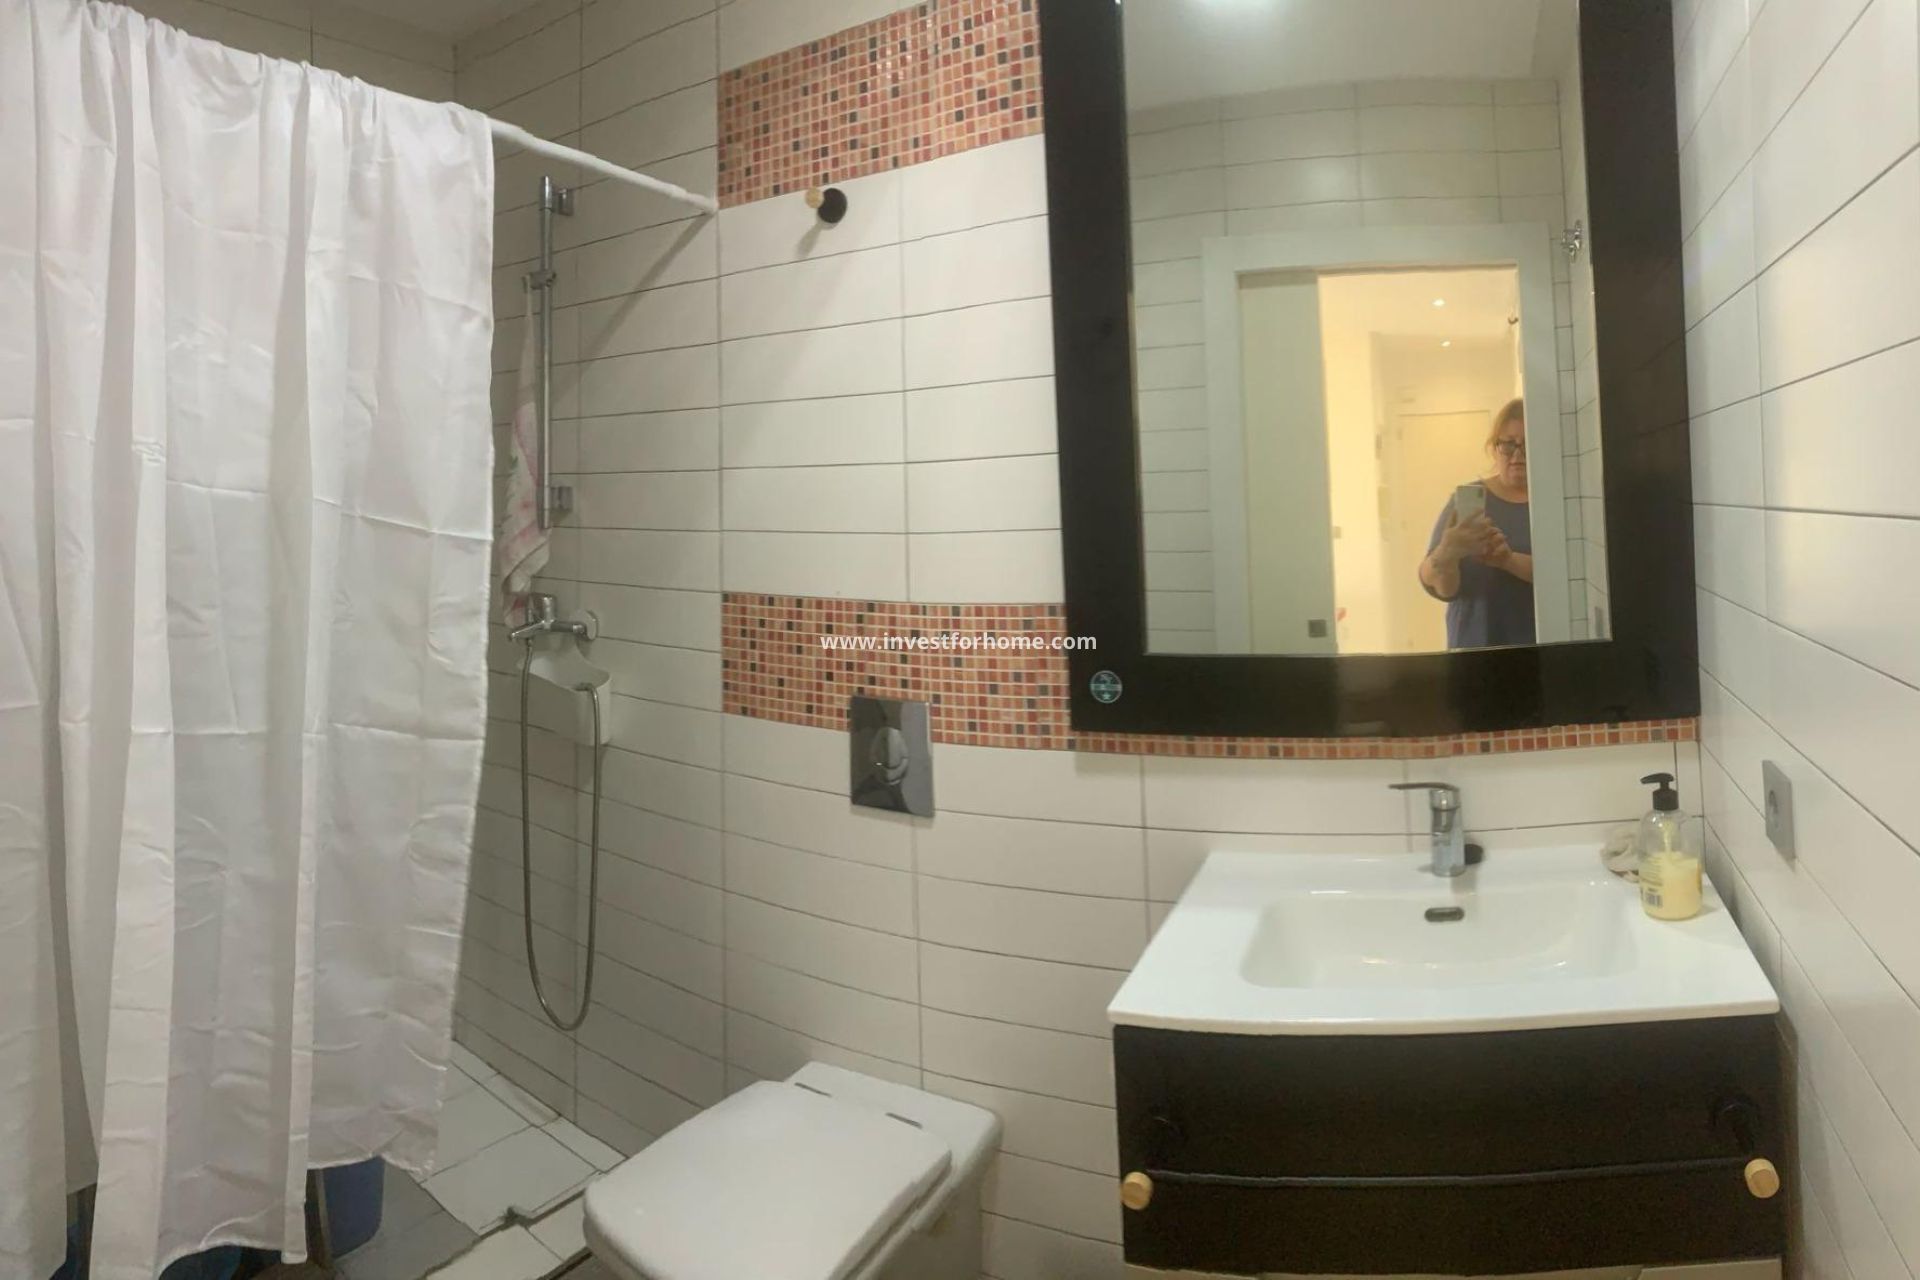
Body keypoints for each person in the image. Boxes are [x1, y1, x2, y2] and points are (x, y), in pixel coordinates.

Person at [1418, 397, 1535, 649]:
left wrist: (1508, 561)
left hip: (1538, 643)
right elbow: (1439, 586)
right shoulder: (1467, 499)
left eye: (1528, 444)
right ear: (1494, 448)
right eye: (1508, 444)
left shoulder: (1556, 504)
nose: (1518, 455)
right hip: (1474, 644)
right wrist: (1446, 554)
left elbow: (1562, 574)